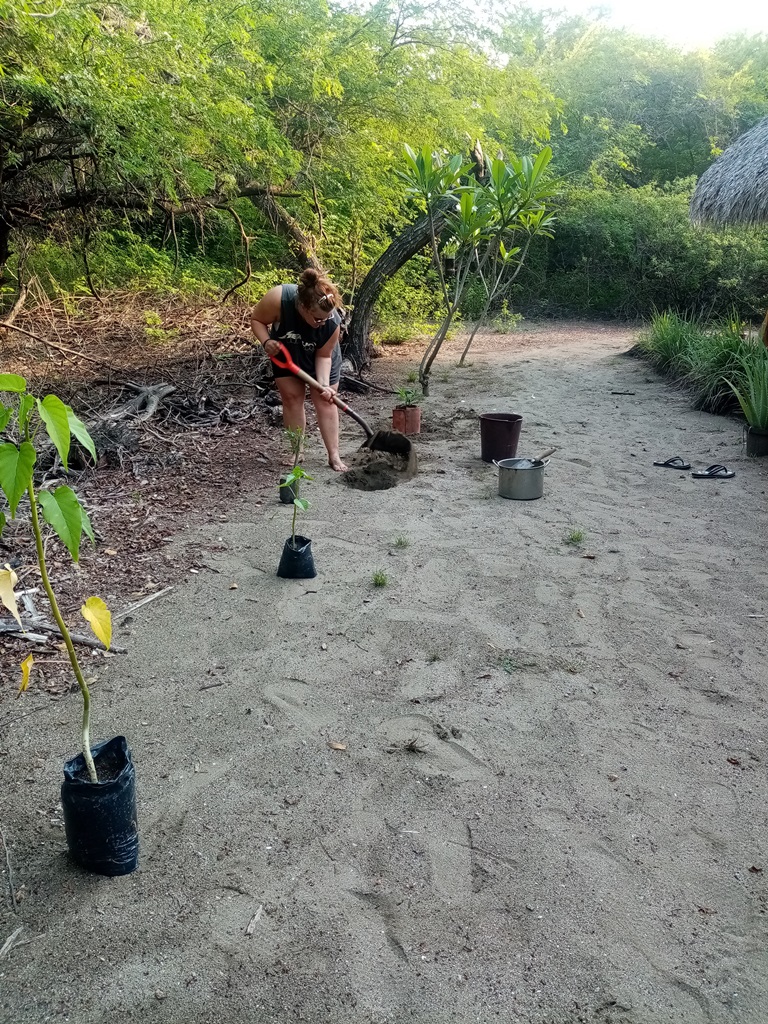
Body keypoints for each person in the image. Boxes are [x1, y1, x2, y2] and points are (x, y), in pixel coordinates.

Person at [251, 269, 348, 472]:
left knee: (325, 400)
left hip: (320, 355)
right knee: (292, 398)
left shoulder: (332, 323)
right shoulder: (279, 299)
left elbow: (324, 356)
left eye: (326, 318)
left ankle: (334, 455)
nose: (322, 322)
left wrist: (323, 385)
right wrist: (266, 341)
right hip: (287, 353)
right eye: (318, 319)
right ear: (303, 308)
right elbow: (257, 320)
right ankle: (297, 450)